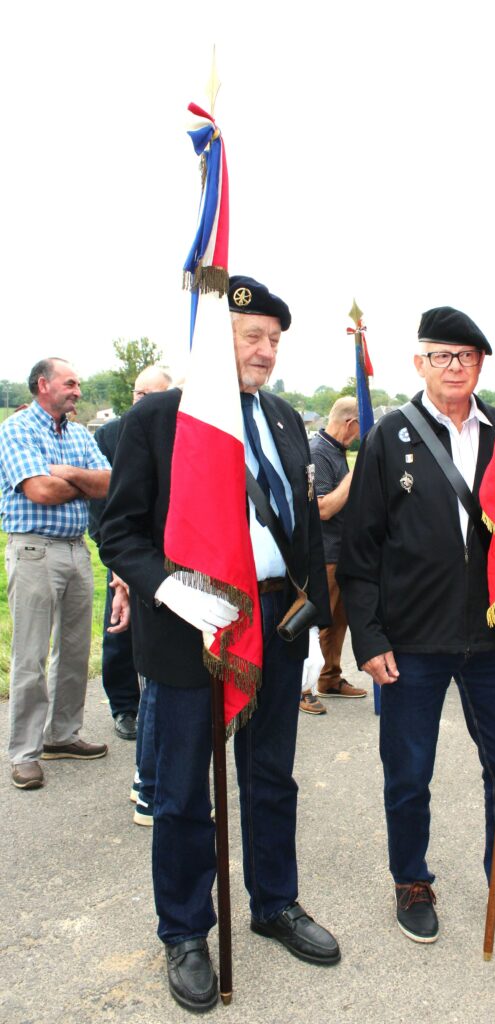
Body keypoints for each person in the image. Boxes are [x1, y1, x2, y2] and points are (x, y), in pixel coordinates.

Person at [99, 277, 339, 1013]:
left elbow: (299, 523)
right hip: (188, 629)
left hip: (274, 622)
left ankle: (274, 903)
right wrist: (168, 589)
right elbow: (119, 532)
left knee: (272, 777)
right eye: (250, 336)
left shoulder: (285, 419)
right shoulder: (159, 420)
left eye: (273, 339)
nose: (265, 351)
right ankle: (184, 930)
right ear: (215, 340)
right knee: (180, 794)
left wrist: (314, 613)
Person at [337, 306, 495, 951]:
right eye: (442, 355)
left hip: (493, 639)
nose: (455, 366)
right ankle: (412, 880)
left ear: (481, 365)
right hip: (412, 641)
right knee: (408, 772)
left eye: (466, 356)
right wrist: (370, 638)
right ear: (420, 363)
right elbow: (361, 549)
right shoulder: (391, 436)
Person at [0, 358, 114, 790]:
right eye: (70, 383)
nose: (78, 391)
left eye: (79, 384)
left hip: (75, 551)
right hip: (33, 550)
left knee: (74, 650)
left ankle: (61, 736)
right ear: (43, 385)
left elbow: (109, 482)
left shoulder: (80, 434)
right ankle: (24, 753)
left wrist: (67, 473)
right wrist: (81, 481)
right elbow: (40, 491)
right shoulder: (16, 430)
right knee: (29, 656)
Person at [89, 365, 173, 741]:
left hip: (166, 554)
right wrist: (117, 559)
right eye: (140, 395)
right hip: (125, 552)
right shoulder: (109, 435)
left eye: (154, 396)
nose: (144, 402)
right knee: (119, 632)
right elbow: (106, 501)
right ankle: (124, 705)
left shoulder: (179, 430)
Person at [300, 397, 366, 714]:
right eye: (358, 429)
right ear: (350, 423)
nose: (358, 437)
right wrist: (354, 478)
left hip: (341, 550)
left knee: (338, 621)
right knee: (316, 622)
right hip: (323, 552)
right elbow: (323, 508)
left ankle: (329, 677)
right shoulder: (318, 452)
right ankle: (303, 687)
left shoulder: (336, 451)